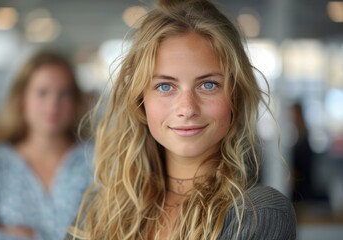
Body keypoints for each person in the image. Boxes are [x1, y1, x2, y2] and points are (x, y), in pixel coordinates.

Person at [69, 0, 296, 239]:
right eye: (165, 86)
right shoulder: (100, 209)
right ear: (140, 100)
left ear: (235, 95)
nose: (187, 109)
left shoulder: (258, 213)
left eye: (208, 85)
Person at [0, 50, 94, 240]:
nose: (53, 105)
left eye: (64, 94)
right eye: (42, 93)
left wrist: (15, 233)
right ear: (22, 99)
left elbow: (112, 231)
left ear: (75, 101)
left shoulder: (98, 160)